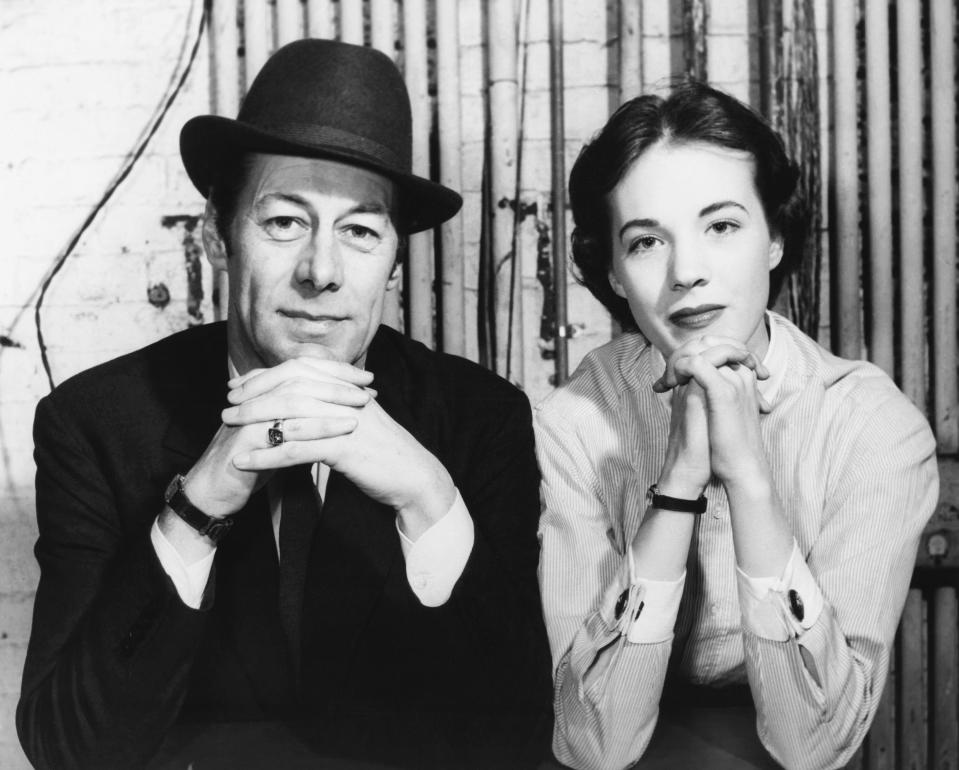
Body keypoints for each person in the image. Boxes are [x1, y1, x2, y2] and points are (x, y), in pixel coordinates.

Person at [18, 39, 552, 770]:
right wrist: (198, 506)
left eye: (360, 232)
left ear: (394, 259)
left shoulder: (480, 418)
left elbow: (519, 739)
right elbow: (67, 749)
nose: (322, 272)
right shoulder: (95, 424)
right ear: (217, 235)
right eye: (284, 222)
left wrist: (429, 499)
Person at [535, 82, 939, 770]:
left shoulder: (871, 426)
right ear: (611, 269)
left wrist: (748, 478)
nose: (686, 273)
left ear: (776, 238)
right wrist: (679, 483)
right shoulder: (573, 420)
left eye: (720, 226)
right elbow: (593, 744)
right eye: (644, 242)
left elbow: (813, 745)